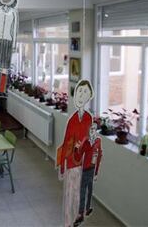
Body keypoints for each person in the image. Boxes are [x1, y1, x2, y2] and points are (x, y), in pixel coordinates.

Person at [57, 80, 94, 227]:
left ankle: (76, 222)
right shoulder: (72, 120)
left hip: (85, 165)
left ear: (90, 96)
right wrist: (61, 167)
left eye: (85, 92)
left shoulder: (88, 118)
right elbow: (66, 143)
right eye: (79, 91)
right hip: (72, 164)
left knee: (79, 197)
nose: (81, 95)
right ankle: (67, 224)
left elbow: (90, 141)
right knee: (70, 196)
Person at [73, 122, 102, 226]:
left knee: (90, 189)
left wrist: (96, 172)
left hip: (92, 169)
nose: (92, 131)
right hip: (85, 170)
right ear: (89, 131)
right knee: (82, 191)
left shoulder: (98, 141)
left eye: (94, 129)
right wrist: (76, 149)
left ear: (96, 130)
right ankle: (80, 214)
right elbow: (78, 157)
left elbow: (99, 155)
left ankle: (87, 208)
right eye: (91, 129)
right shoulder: (85, 142)